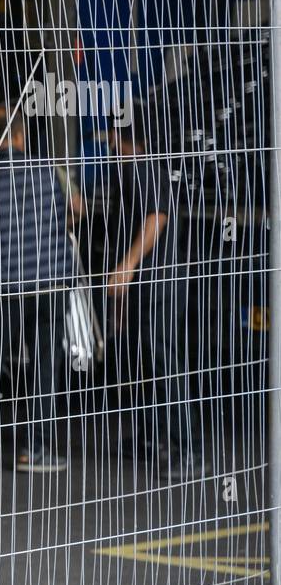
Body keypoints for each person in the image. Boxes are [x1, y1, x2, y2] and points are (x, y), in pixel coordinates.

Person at [0, 108, 74, 473]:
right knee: (45, 365)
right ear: (23, 137)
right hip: (51, 281)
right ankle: (34, 450)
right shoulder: (48, 169)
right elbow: (77, 209)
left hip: (4, 284)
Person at [105, 120, 200, 480]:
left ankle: (188, 448)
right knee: (144, 361)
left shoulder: (142, 167)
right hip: (147, 288)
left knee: (165, 364)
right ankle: (151, 437)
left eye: (114, 135)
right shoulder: (132, 171)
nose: (110, 143)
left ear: (124, 138)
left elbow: (156, 218)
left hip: (160, 286)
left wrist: (127, 266)